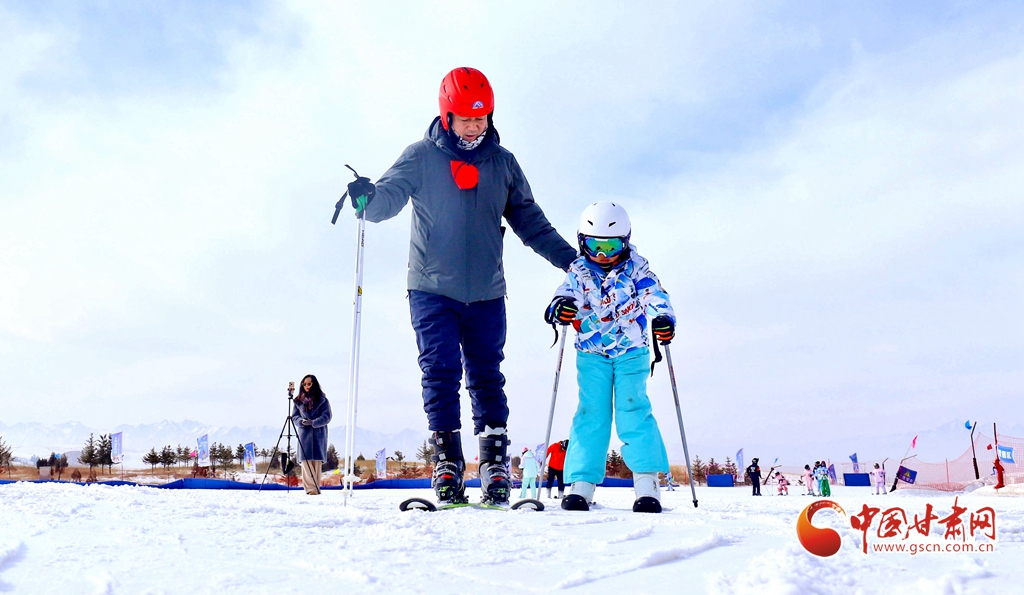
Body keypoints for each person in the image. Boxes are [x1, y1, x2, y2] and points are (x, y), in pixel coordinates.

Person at [346, 67, 577, 507]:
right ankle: (448, 463)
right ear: (447, 115)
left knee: (487, 376)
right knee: (440, 371)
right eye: (466, 118)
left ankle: (493, 465)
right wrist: (367, 199)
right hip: (431, 288)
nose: (474, 126)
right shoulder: (420, 156)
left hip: (487, 291)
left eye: (481, 117)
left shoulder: (503, 163)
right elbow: (387, 199)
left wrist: (572, 262)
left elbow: (531, 222)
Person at [545, 201, 675, 514]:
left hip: (632, 352)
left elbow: (654, 294)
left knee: (633, 410)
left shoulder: (637, 269)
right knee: (591, 414)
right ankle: (581, 484)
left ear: (625, 242)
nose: (603, 255)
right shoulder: (578, 271)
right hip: (592, 354)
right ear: (582, 242)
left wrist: (663, 317)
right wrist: (560, 306)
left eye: (611, 246)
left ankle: (647, 484)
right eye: (595, 246)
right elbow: (566, 292)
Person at [290, 375, 333, 495]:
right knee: (306, 462)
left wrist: (314, 422)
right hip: (304, 435)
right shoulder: (298, 401)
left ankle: (316, 489)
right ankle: (310, 489)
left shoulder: (323, 400)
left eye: (309, 384)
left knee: (316, 464)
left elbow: (327, 416)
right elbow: (294, 417)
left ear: (314, 384)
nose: (307, 386)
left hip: (319, 434)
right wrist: (301, 422)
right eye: (304, 384)